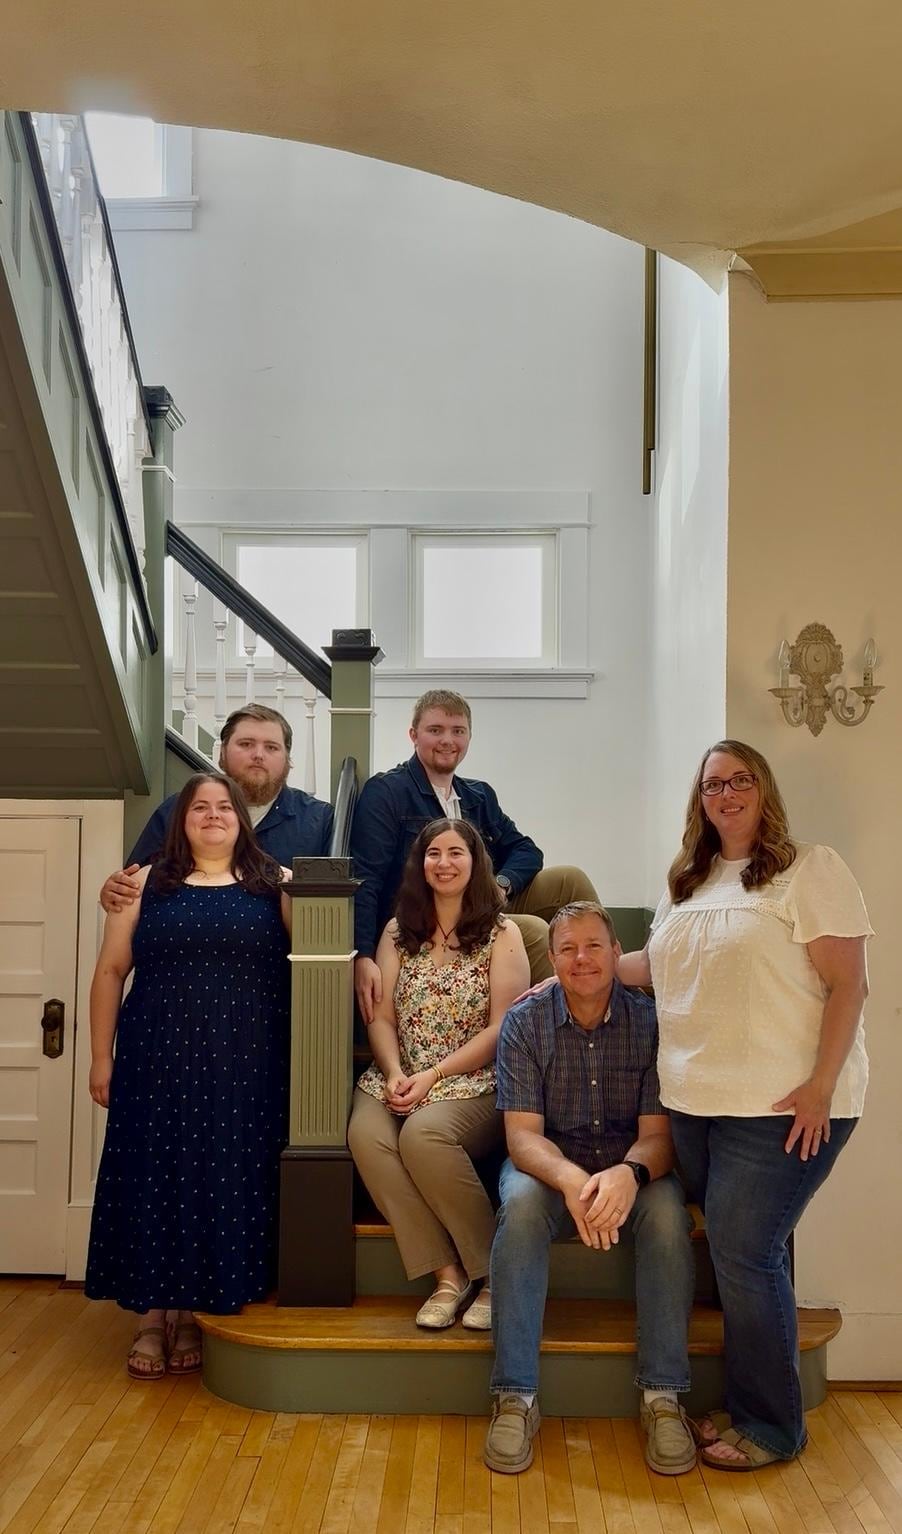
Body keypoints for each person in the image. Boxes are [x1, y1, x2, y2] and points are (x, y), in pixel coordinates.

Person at [618, 740, 871, 1470]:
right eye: (712, 785)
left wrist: (822, 1085)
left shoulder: (809, 870)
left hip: (787, 1103)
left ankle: (772, 1426)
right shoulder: (688, 882)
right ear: (699, 800)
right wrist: (579, 975)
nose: (725, 794)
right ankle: (748, 1402)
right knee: (743, 1255)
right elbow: (653, 967)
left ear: (763, 790)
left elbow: (849, 986)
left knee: (744, 1252)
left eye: (740, 781)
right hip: (696, 1102)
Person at [85, 771, 292, 1379]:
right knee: (154, 1173)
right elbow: (109, 973)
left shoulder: (275, 883)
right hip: (156, 1059)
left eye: (224, 806)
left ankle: (200, 1307)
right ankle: (152, 1318)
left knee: (220, 1175)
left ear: (241, 819)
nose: (212, 815)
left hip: (245, 1063)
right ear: (180, 819)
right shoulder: (143, 886)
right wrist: (102, 1058)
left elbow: (315, 960)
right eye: (199, 806)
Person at [485, 901, 695, 1477]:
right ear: (551, 959)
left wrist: (626, 1175)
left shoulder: (651, 1022)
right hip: (551, 1167)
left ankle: (663, 1396)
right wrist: (574, 1179)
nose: (582, 959)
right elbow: (522, 1138)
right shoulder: (526, 1022)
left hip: (632, 1165)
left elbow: (660, 1137)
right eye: (568, 949)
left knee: (670, 1217)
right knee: (521, 1209)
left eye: (594, 946)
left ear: (616, 953)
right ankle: (515, 1396)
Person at [348, 818, 530, 1330]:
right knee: (366, 1134)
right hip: (399, 1072)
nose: (444, 863)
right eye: (433, 853)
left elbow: (504, 1028)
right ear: (419, 863)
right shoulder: (395, 930)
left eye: (456, 853)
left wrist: (433, 1076)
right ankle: (448, 1275)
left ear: (475, 863)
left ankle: (495, 1274)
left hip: (472, 1079)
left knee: (424, 1137)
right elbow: (380, 1017)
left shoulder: (503, 932)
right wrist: (393, 1071)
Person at [351, 689, 597, 1018]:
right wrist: (362, 955)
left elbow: (525, 850)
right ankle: (547, 1031)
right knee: (535, 932)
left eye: (458, 731)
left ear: (468, 736)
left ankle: (608, 984)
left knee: (570, 880)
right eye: (435, 730)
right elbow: (366, 878)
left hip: (482, 904)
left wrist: (502, 883)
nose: (447, 740)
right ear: (413, 735)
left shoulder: (478, 795)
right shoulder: (387, 793)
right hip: (428, 923)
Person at [101, 704, 332, 912]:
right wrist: (114, 891)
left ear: (288, 759)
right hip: (185, 949)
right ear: (222, 753)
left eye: (271, 747)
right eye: (246, 744)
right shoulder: (177, 810)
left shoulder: (319, 821)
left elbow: (330, 907)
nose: (258, 755)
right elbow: (132, 887)